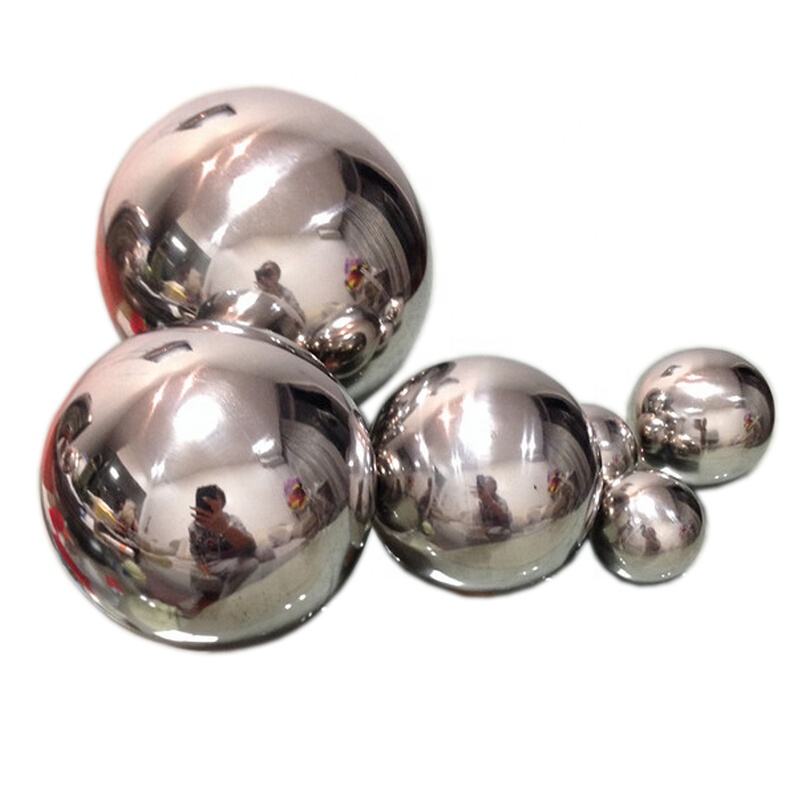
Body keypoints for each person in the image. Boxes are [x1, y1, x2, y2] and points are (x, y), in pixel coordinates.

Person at [188, 485, 258, 604]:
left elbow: (251, 547)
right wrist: (202, 567)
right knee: (250, 564)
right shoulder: (193, 528)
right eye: (203, 501)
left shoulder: (233, 520)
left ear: (222, 503)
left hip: (239, 556)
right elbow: (195, 551)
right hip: (215, 563)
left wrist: (225, 528)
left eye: (213, 500)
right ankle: (223, 604)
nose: (209, 504)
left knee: (266, 551)